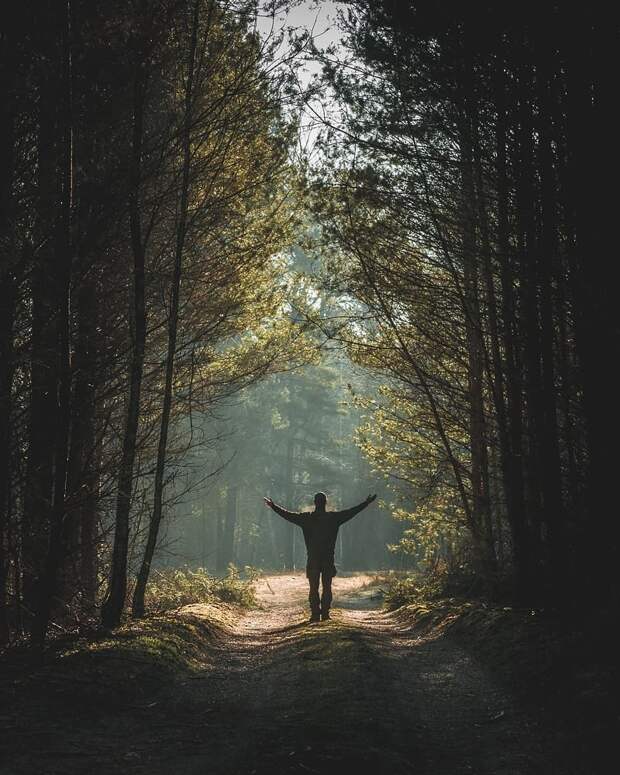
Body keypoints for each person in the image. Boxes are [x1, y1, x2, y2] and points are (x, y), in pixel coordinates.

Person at [263, 491, 377, 622]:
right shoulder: (334, 518)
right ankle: (326, 614)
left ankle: (315, 614)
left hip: (313, 560)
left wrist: (273, 506)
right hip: (328, 559)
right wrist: (366, 503)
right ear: (325, 503)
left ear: (314, 503)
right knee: (327, 587)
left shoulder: (306, 518)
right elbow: (351, 512)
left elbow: (287, 515)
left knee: (313, 588)